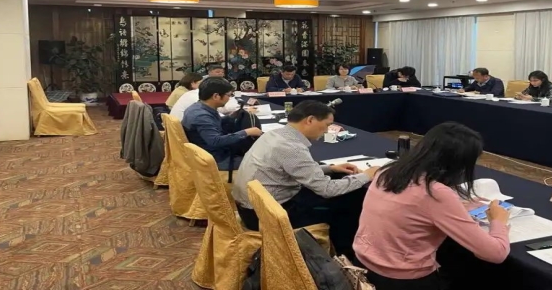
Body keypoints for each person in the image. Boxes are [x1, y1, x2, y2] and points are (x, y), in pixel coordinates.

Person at [354, 123, 510, 290]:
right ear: (458, 164)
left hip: (362, 266)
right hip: (404, 280)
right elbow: (495, 253)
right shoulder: (436, 193)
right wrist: (498, 221)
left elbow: (411, 209)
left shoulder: (387, 172)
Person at [232, 100, 380, 258]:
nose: (327, 130)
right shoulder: (292, 147)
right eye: (327, 125)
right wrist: (367, 175)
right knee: (351, 200)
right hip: (266, 216)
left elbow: (289, 169)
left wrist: (330, 168)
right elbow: (327, 189)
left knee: (338, 186)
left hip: (253, 207)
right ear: (310, 120)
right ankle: (345, 255)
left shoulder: (274, 135)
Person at [181, 78, 262, 170]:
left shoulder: (198, 107)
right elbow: (216, 141)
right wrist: (247, 132)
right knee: (262, 161)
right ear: (216, 96)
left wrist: (230, 117)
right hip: (215, 159)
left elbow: (213, 124)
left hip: (209, 152)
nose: (229, 98)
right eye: (229, 95)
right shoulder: (202, 116)